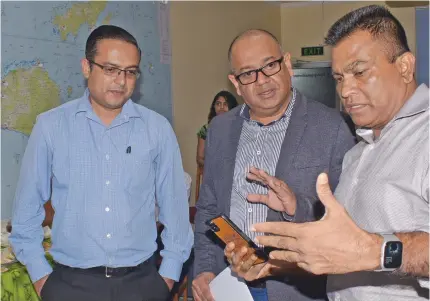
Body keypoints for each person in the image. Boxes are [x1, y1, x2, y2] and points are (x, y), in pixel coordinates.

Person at [243, 5, 429, 301]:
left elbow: (363, 253)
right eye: (340, 77)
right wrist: (274, 265)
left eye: (359, 72)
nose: (345, 90)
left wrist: (374, 251)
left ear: (405, 66)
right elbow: (342, 258)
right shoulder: (358, 154)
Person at [9, 25, 193, 301]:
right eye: (110, 69)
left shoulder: (157, 129)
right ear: (86, 67)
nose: (121, 81)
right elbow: (25, 213)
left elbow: (176, 213)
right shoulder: (51, 126)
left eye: (130, 71)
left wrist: (166, 278)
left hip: (142, 285)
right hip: (70, 286)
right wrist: (42, 280)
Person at [192, 28, 356, 301]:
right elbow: (208, 207)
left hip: (295, 290)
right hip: (229, 284)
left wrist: (297, 206)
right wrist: (206, 268)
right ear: (236, 82)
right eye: (248, 73)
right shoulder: (219, 130)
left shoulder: (332, 127)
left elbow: (348, 221)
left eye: (270, 65)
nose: (262, 81)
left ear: (287, 63)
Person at [196, 90, 238, 167]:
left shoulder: (239, 128)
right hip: (212, 171)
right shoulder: (206, 129)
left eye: (225, 104)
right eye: (218, 104)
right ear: (214, 107)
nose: (221, 107)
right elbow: (200, 158)